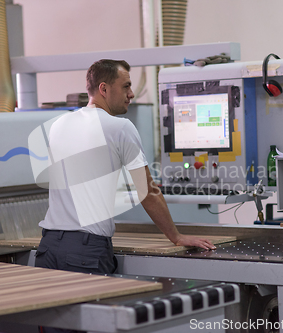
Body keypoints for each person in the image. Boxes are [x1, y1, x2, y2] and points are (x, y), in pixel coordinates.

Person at [35, 59, 215, 332]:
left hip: (48, 248)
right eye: (127, 86)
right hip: (85, 252)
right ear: (104, 89)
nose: (132, 93)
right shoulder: (120, 128)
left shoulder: (58, 125)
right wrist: (176, 237)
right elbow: (148, 192)